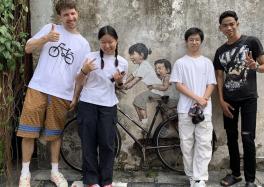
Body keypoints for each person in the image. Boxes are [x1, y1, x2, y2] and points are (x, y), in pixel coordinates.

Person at [16, 1, 90, 187]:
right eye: (66, 15)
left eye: (73, 13)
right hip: (38, 88)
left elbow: (81, 76)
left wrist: (75, 96)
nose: (70, 18)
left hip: (62, 94)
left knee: (55, 134)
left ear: (77, 13)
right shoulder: (50, 28)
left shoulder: (83, 44)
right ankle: (25, 174)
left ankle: (55, 172)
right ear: (60, 16)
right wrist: (46, 38)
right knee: (28, 132)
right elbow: (28, 48)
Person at [213, 10, 264, 187]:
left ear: (237, 23)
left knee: (247, 138)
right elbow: (219, 78)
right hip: (229, 100)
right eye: (225, 25)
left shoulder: (251, 42)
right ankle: (235, 174)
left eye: (231, 23)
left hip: (248, 99)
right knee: (231, 138)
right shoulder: (220, 51)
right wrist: (221, 101)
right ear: (220, 28)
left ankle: (250, 180)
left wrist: (255, 67)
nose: (229, 27)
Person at [71, 25, 128, 187]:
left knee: (108, 145)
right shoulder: (90, 57)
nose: (107, 45)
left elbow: (120, 86)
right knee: (88, 144)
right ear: (99, 42)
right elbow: (79, 80)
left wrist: (118, 81)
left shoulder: (122, 62)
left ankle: (106, 181)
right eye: (103, 42)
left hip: (108, 106)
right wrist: (84, 70)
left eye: (111, 42)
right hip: (87, 104)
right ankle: (91, 181)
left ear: (116, 41)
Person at [170, 27, 216, 187]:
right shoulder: (180, 63)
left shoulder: (207, 62)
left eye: (197, 39)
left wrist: (203, 100)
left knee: (204, 142)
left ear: (201, 41)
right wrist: (197, 98)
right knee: (186, 142)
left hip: (204, 110)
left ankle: (200, 177)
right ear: (186, 41)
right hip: (185, 109)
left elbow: (211, 84)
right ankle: (191, 176)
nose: (194, 42)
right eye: (191, 39)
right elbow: (178, 85)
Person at [123, 43, 163, 125]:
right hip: (154, 90)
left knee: (139, 99)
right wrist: (122, 83)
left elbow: (134, 81)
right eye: (130, 54)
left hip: (157, 91)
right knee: (136, 102)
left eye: (132, 54)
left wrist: (125, 86)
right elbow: (132, 76)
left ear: (141, 55)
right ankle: (143, 123)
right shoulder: (141, 66)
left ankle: (145, 124)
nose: (130, 57)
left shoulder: (144, 66)